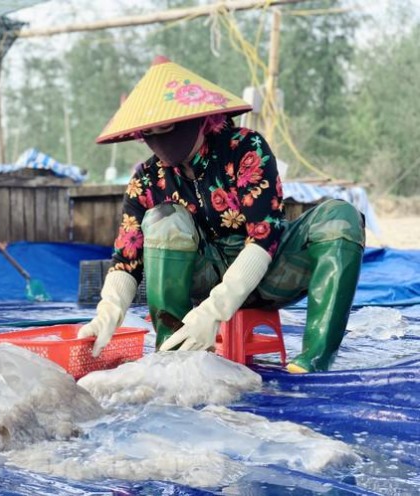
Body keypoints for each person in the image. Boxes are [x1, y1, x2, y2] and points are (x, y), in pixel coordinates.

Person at [78, 56, 364, 373]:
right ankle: (172, 351)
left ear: (197, 118)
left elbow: (264, 236)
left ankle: (314, 361)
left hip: (272, 273)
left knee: (341, 215)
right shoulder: (147, 179)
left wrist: (214, 312)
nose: (159, 138)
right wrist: (108, 312)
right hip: (203, 275)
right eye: (149, 131)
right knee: (164, 218)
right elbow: (127, 256)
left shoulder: (244, 149)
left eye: (166, 126)